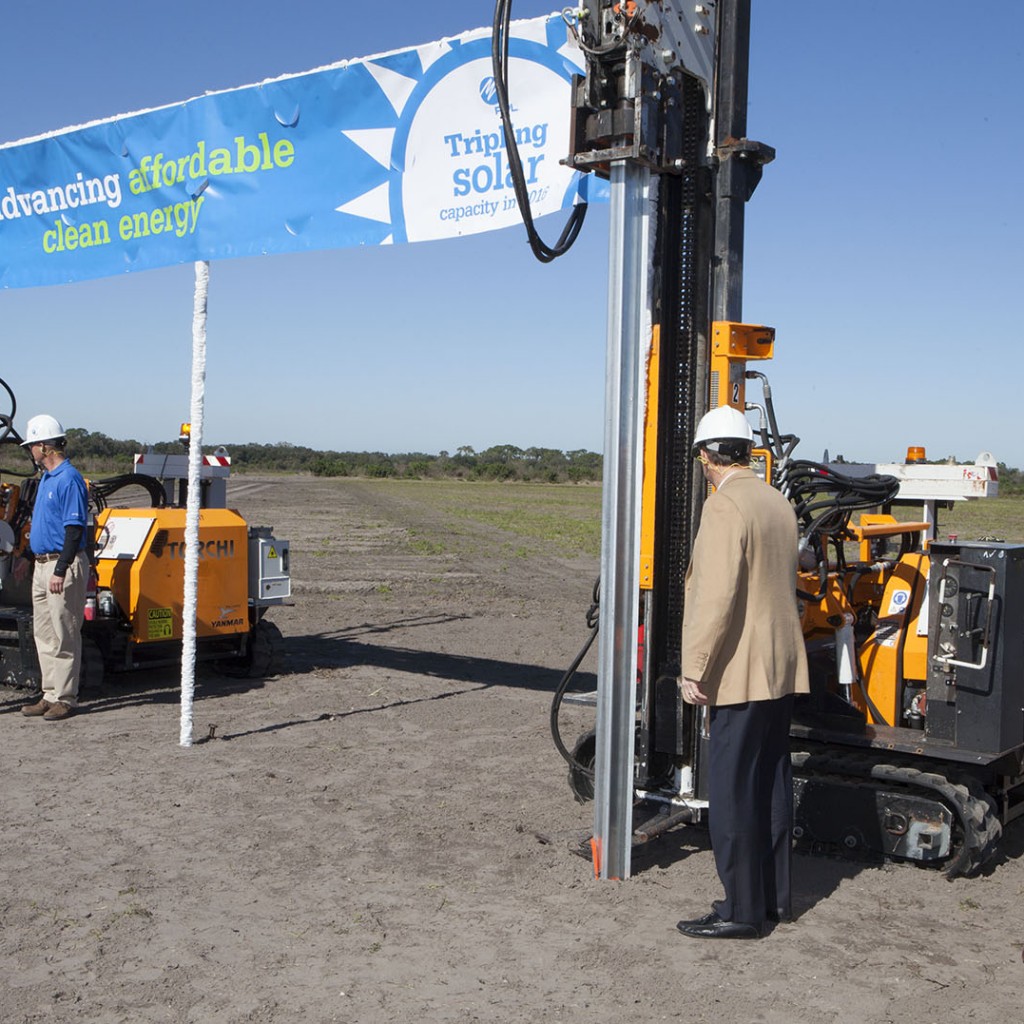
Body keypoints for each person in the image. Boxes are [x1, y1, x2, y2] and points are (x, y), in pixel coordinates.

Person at [675, 405, 809, 940]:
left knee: (731, 793)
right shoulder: (777, 502)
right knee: (772, 785)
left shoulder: (725, 507)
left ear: (707, 457)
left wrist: (695, 669)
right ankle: (773, 899)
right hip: (778, 668)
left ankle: (740, 913)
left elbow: (715, 597)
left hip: (738, 673)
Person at [16, 414, 90, 722]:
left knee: (65, 632)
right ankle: (49, 694)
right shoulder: (47, 479)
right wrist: (27, 556)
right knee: (44, 632)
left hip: (62, 564)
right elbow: (43, 525)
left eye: (32, 445)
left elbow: (74, 529)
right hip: (43, 564)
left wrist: (60, 569)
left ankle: (66, 697)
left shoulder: (68, 479)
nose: (30, 451)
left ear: (45, 446)